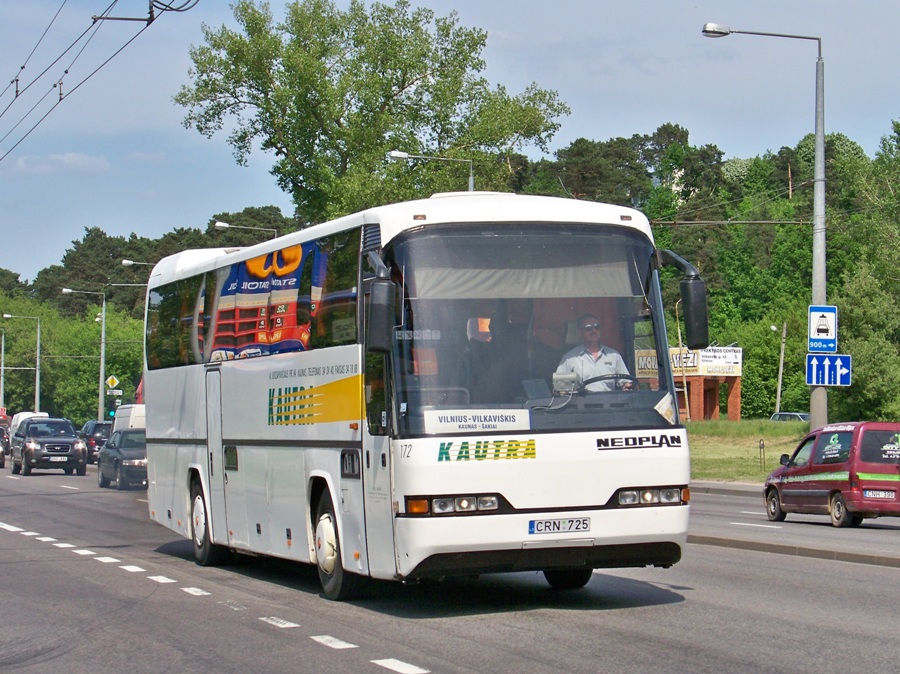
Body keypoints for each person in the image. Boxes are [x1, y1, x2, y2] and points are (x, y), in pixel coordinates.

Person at [556, 314, 633, 391]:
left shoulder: (614, 355)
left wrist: (627, 386)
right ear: (580, 332)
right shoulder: (570, 358)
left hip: (609, 402)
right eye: (588, 328)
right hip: (581, 402)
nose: (594, 331)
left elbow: (626, 383)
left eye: (597, 327)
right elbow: (560, 389)